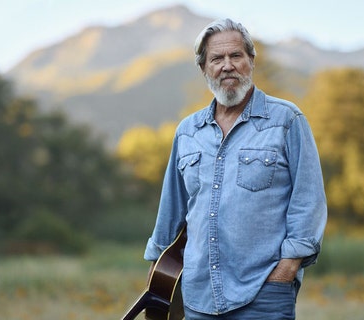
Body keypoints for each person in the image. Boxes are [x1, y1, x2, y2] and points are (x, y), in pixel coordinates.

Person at [144, 18, 327, 319]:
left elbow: (309, 203)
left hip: (264, 295)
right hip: (197, 297)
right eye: (217, 58)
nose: (227, 65)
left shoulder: (287, 120)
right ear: (204, 68)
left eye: (236, 56)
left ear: (251, 61)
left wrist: (285, 271)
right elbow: (170, 214)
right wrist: (156, 278)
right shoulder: (187, 132)